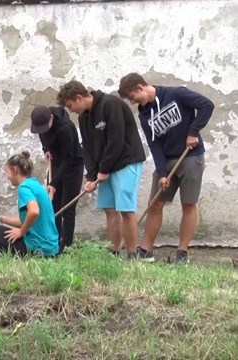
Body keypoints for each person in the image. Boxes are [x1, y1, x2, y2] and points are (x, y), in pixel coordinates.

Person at [118, 73, 214, 264]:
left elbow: (207, 105)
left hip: (190, 156)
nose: (132, 102)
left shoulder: (177, 94)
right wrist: (161, 173)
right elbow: (154, 145)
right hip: (167, 160)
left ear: (140, 87)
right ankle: (146, 252)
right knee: (155, 204)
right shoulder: (145, 115)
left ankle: (182, 254)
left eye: (132, 97)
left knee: (188, 204)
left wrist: (193, 132)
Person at [57, 80, 146, 259]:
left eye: (70, 105)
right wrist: (91, 176)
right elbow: (87, 148)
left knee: (126, 210)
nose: (71, 110)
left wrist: (103, 170)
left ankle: (132, 255)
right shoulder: (83, 117)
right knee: (109, 209)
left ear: (79, 97)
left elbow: (116, 140)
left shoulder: (111, 105)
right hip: (105, 169)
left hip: (125, 163)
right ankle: (114, 252)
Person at [0, 151, 59, 257]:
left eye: (7, 173)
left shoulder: (24, 188)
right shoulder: (36, 185)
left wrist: (21, 231)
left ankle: (10, 259)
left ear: (14, 170)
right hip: (51, 248)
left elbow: (34, 211)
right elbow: (26, 220)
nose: (7, 177)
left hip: (38, 248)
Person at [30, 105, 84, 251]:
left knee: (67, 208)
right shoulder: (43, 122)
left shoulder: (65, 128)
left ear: (52, 118)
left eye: (44, 127)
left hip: (72, 166)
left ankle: (66, 247)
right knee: (53, 207)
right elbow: (42, 134)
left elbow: (68, 158)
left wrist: (54, 183)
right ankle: (54, 242)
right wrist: (46, 149)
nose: (42, 131)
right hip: (56, 163)